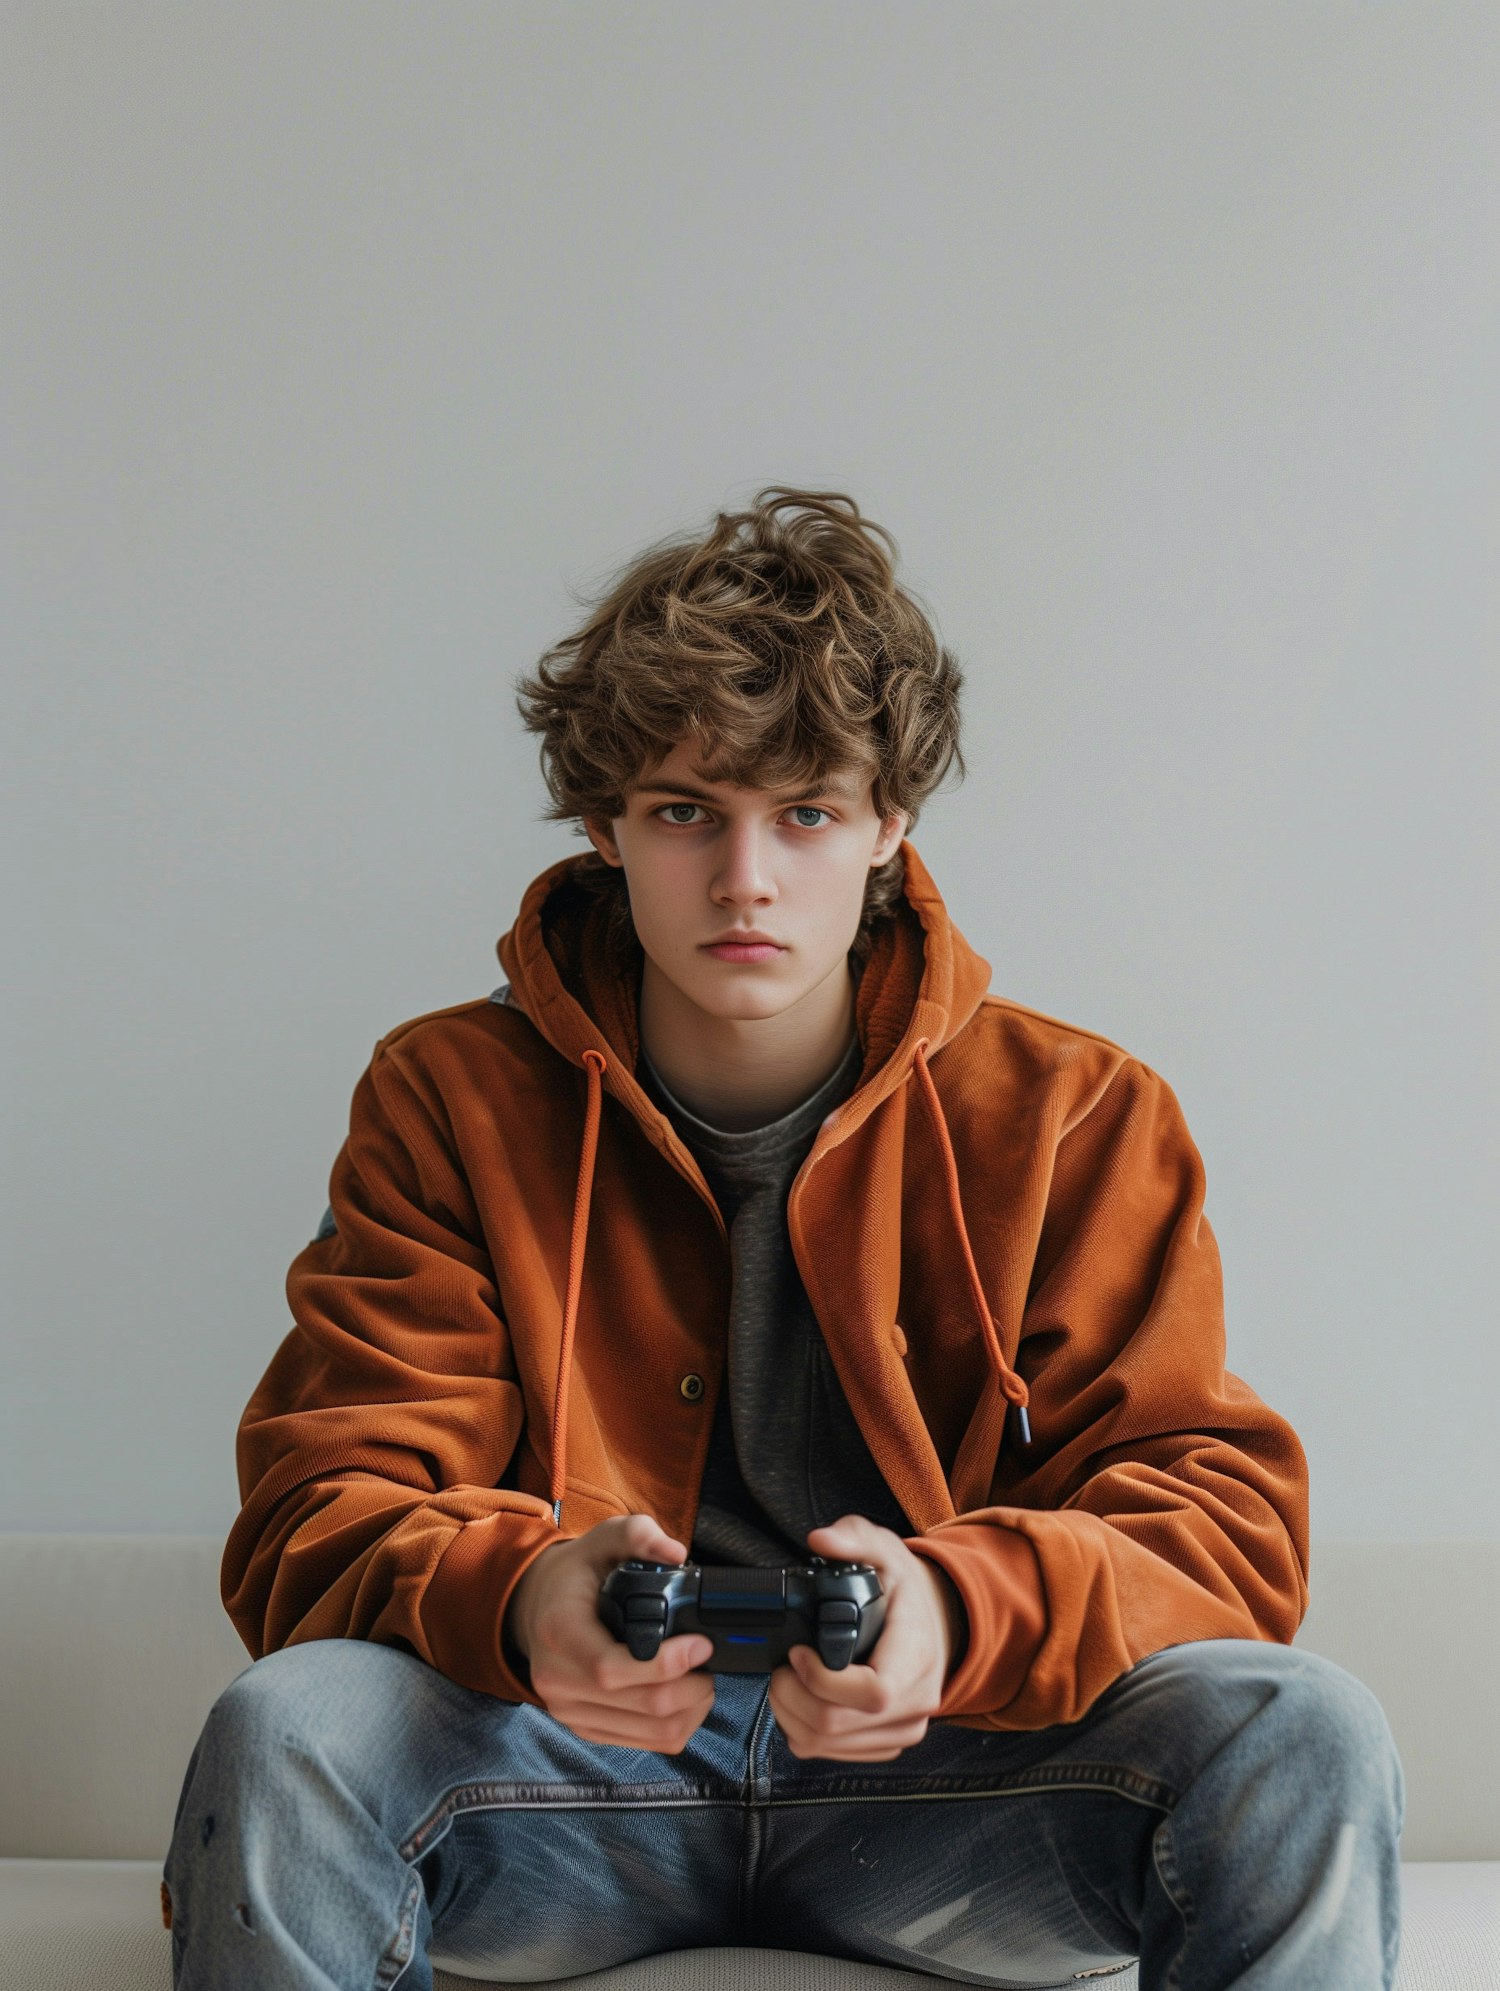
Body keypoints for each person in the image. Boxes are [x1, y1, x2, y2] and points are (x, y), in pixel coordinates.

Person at [161, 487, 1404, 1988]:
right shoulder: (450, 1097)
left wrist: (959, 1610)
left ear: (890, 824)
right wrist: (526, 1596)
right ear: (608, 825)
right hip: (561, 1772)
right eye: (686, 812)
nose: (745, 878)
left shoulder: (1075, 1113)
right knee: (282, 1728)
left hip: (958, 1783)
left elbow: (1225, 1524)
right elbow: (319, 1503)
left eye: (804, 812)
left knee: (1306, 1727)